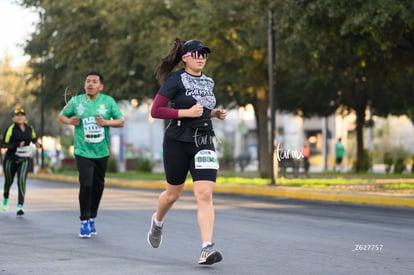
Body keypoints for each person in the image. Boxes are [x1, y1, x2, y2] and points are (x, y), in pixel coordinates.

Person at [147, 38, 226, 265]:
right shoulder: (175, 79)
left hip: (203, 140)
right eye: (196, 54)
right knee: (173, 194)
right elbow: (156, 110)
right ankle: (158, 220)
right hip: (177, 141)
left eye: (204, 55)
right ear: (185, 58)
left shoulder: (209, 81)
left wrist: (213, 113)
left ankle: (206, 248)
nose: (201, 58)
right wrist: (185, 113)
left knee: (204, 193)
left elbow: (200, 108)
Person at [59, 70, 124, 238]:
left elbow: (121, 121)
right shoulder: (76, 101)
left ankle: (92, 217)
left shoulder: (108, 101)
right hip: (82, 150)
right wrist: (69, 121)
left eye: (94, 81)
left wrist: (106, 122)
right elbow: (62, 116)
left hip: (101, 151)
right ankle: (84, 220)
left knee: (98, 186)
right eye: (88, 81)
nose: (90, 84)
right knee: (86, 184)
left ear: (100, 86)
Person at [1, 107, 42, 216]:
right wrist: (16, 145)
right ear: (13, 118)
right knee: (9, 182)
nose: (20, 117)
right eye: (17, 115)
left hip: (24, 159)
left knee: (21, 181)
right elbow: (3, 144)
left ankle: (20, 206)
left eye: (22, 115)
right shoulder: (10, 129)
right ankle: (5, 197)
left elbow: (34, 139)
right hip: (11, 160)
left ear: (25, 117)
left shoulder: (29, 128)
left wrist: (38, 144)